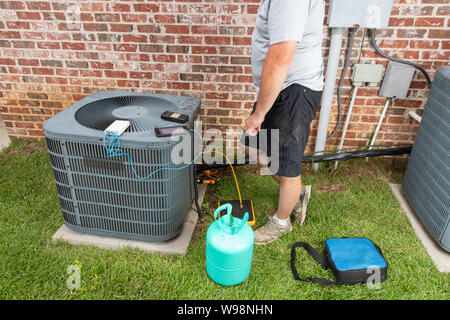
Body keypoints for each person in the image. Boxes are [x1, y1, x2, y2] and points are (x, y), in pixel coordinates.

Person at [243, 0, 325, 245]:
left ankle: (281, 222)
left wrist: (258, 114)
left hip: (294, 91)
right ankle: (297, 193)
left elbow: (280, 57)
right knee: (253, 145)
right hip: (278, 90)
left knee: (288, 167)